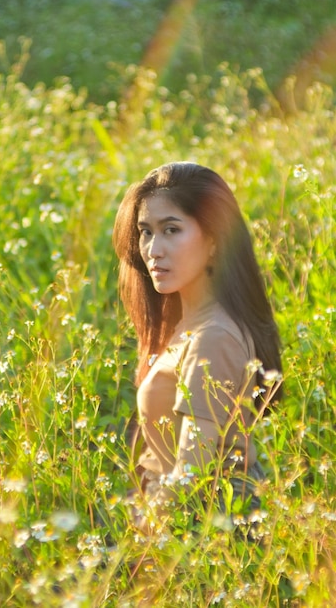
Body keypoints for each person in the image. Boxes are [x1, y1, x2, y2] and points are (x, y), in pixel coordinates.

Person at [112, 161, 282, 535]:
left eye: (171, 230)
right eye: (146, 232)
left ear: (214, 240)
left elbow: (192, 470)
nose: (153, 249)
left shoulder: (213, 336)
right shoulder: (189, 325)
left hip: (207, 535)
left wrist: (136, 547)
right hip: (180, 523)